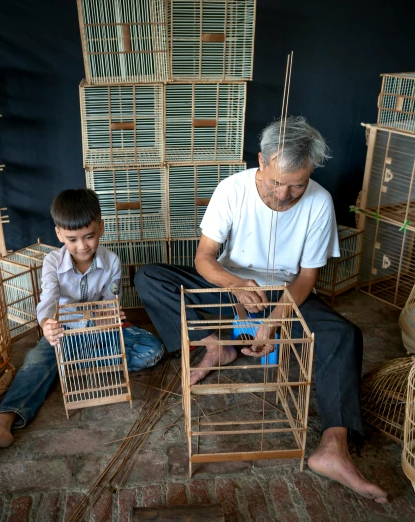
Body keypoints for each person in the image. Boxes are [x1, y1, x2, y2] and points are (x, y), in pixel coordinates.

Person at [133, 116, 387, 503]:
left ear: (311, 174)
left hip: (284, 295)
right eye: (275, 183)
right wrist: (234, 284)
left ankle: (333, 448)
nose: (284, 195)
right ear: (261, 161)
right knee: (151, 277)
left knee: (343, 334)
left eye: (296, 185)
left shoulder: (319, 202)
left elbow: (306, 279)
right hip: (230, 288)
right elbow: (204, 259)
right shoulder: (232, 189)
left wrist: (275, 318)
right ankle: (215, 344)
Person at [0, 188, 165, 447]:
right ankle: (2, 422)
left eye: (89, 237)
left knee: (152, 349)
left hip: (99, 331)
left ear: (101, 228)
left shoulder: (112, 261)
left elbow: (110, 301)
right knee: (35, 360)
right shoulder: (52, 263)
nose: (82, 246)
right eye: (72, 239)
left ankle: (66, 365)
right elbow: (47, 302)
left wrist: (108, 314)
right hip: (63, 333)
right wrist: (47, 325)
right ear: (59, 234)